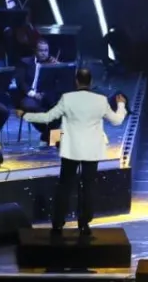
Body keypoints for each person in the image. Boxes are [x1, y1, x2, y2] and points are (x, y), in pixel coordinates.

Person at [19, 67, 126, 235]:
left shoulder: (67, 98)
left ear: (76, 81)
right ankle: (84, 224)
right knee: (88, 186)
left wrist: (25, 115)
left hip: (71, 149)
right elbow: (117, 120)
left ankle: (58, 224)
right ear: (91, 82)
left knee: (65, 186)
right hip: (91, 150)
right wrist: (121, 104)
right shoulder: (101, 100)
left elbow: (47, 117)